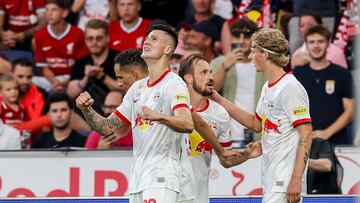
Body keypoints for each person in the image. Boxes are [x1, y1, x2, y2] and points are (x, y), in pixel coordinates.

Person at [76, 24, 194, 203]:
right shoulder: (137, 88)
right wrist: (86, 109)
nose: (147, 40)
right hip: (138, 177)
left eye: (154, 39)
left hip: (161, 175)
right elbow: (106, 127)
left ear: (168, 49)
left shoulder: (174, 84)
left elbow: (187, 124)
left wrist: (159, 116)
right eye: (147, 37)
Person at [211, 28, 313, 203]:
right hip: (271, 176)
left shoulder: (290, 87)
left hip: (285, 179)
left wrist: (296, 179)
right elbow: (256, 124)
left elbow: (306, 134)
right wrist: (217, 98)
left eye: (253, 51)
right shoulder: (268, 86)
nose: (250, 56)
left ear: (265, 54)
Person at [179, 54, 231, 203]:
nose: (210, 77)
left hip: (199, 198)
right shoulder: (171, 107)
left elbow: (226, 159)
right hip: (169, 196)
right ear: (188, 78)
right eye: (203, 72)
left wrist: (248, 154)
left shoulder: (220, 114)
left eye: (210, 72)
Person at [293, 25, 355, 145]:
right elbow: (290, 109)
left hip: (336, 144)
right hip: (303, 143)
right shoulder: (297, 75)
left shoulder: (343, 74)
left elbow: (350, 111)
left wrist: (326, 133)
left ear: (328, 44)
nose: (316, 45)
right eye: (312, 42)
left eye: (320, 41)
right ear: (307, 46)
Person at [211, 18, 264, 148]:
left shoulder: (263, 63)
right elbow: (207, 92)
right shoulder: (219, 62)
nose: (241, 40)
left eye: (247, 35)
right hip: (227, 135)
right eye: (236, 35)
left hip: (258, 136)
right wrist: (224, 66)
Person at [34, 0, 88, 92]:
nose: (49, 13)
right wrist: (55, 82)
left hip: (71, 78)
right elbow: (43, 66)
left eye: (54, 10)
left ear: (64, 13)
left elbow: (81, 64)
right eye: (47, 10)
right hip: (50, 79)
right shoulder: (40, 34)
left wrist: (67, 81)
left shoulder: (78, 33)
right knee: (32, 81)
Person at [67, 19, 118, 114]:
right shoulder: (80, 63)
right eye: (90, 38)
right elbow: (70, 93)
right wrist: (86, 78)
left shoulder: (119, 59)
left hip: (115, 112)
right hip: (87, 112)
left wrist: (101, 76)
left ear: (107, 38)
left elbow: (128, 89)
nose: (94, 42)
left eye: (99, 38)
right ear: (85, 40)